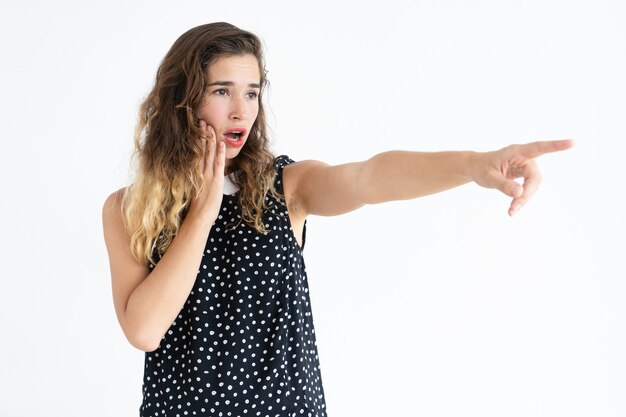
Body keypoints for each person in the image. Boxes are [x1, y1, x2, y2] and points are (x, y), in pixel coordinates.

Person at [102, 22, 573, 417]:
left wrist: (473, 165)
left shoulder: (285, 186)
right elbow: (144, 331)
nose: (241, 109)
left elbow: (370, 177)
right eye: (222, 91)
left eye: (251, 92)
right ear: (181, 100)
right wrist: (202, 213)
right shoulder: (129, 207)